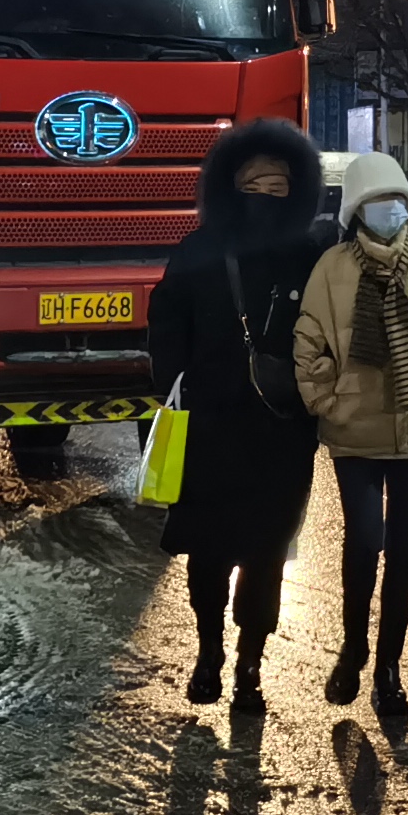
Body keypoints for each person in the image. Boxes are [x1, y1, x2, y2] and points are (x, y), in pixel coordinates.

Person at [146, 121, 336, 711]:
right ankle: (237, 664)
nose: (266, 198)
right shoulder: (305, 254)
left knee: (226, 550)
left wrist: (179, 387)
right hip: (265, 428)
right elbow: (332, 333)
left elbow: (164, 328)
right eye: (259, 187)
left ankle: (222, 660)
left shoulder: (203, 249)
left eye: (274, 188)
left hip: (229, 427)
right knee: (253, 552)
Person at [292, 150, 408, 739]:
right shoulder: (331, 269)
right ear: (356, 210)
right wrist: (329, 400)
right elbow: (308, 344)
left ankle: (389, 669)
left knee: (402, 550)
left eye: (397, 200)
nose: (389, 210)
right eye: (377, 202)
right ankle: (353, 649)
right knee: (364, 540)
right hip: (355, 434)